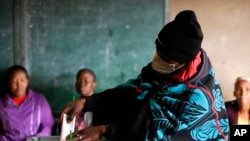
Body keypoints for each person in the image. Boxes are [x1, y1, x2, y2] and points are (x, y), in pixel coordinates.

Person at [60, 10, 229, 141]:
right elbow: (134, 90)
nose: (157, 61)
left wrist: (108, 130)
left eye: (165, 58)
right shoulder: (167, 69)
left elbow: (158, 136)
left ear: (182, 61)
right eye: (158, 52)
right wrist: (88, 102)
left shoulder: (199, 100)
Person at [0, 65, 55, 141]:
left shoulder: (39, 100)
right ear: (8, 83)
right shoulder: (1, 104)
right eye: (14, 81)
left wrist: (36, 138)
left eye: (22, 80)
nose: (19, 84)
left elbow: (48, 126)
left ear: (27, 81)